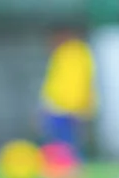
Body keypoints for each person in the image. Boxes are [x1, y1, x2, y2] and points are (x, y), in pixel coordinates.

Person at [39, 29, 97, 161]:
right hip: (59, 106)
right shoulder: (64, 54)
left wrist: (80, 106)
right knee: (60, 141)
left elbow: (80, 82)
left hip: (68, 108)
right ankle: (63, 165)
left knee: (68, 142)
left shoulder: (76, 53)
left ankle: (71, 166)